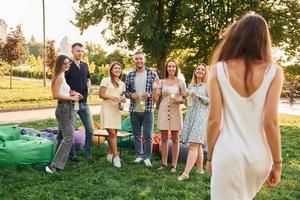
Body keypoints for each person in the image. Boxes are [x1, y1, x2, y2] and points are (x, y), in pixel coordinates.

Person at [206, 13, 283, 200]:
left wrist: (209, 157)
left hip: (228, 154)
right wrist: (277, 163)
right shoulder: (274, 72)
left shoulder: (218, 69)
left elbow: (214, 120)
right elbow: (270, 122)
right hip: (259, 157)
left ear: (237, 35)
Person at [46, 55, 83, 174]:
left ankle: (54, 162)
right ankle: (53, 166)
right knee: (69, 137)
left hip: (67, 108)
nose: (67, 65)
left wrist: (73, 93)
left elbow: (63, 91)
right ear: (59, 64)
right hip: (64, 109)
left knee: (62, 137)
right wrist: (72, 98)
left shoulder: (62, 76)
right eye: (65, 63)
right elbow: (55, 95)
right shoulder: (58, 77)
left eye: (68, 63)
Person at [125, 51, 159, 167]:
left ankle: (147, 157)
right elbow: (127, 91)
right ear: (134, 61)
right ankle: (139, 155)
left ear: (144, 60)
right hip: (134, 109)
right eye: (136, 59)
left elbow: (157, 90)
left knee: (148, 135)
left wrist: (149, 93)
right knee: (136, 134)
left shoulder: (152, 74)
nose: (138, 61)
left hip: (148, 109)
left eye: (140, 59)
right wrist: (130, 95)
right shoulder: (130, 75)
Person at [153, 60, 187, 172]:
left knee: (175, 138)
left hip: (176, 111)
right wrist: (155, 89)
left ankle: (174, 165)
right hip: (163, 110)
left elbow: (185, 98)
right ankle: (163, 164)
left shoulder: (181, 82)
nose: (171, 68)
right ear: (166, 68)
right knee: (163, 138)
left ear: (176, 68)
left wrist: (179, 101)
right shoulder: (161, 82)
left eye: (173, 66)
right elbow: (155, 99)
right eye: (169, 66)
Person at [178, 64, 209, 181]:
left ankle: (186, 173)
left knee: (193, 145)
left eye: (202, 69)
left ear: (205, 72)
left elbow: (212, 101)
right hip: (191, 116)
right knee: (198, 145)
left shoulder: (207, 86)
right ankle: (200, 170)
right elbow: (189, 104)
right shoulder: (190, 86)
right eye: (198, 69)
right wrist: (186, 98)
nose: (200, 71)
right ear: (195, 71)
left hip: (201, 118)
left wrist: (200, 96)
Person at [65, 43, 94, 158]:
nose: (80, 53)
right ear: (72, 51)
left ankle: (88, 153)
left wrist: (89, 85)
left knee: (90, 129)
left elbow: (88, 78)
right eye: (78, 51)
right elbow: (62, 84)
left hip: (84, 104)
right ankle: (73, 155)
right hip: (71, 104)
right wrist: (71, 93)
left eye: (82, 51)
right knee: (70, 131)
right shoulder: (67, 66)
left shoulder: (85, 65)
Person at [99, 62, 126, 168]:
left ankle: (110, 154)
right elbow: (101, 94)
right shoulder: (105, 80)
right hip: (107, 109)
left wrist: (122, 102)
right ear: (111, 70)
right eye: (115, 68)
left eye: (119, 68)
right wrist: (111, 97)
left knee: (113, 133)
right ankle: (116, 156)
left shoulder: (122, 84)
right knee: (112, 134)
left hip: (116, 110)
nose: (117, 70)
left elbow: (122, 98)